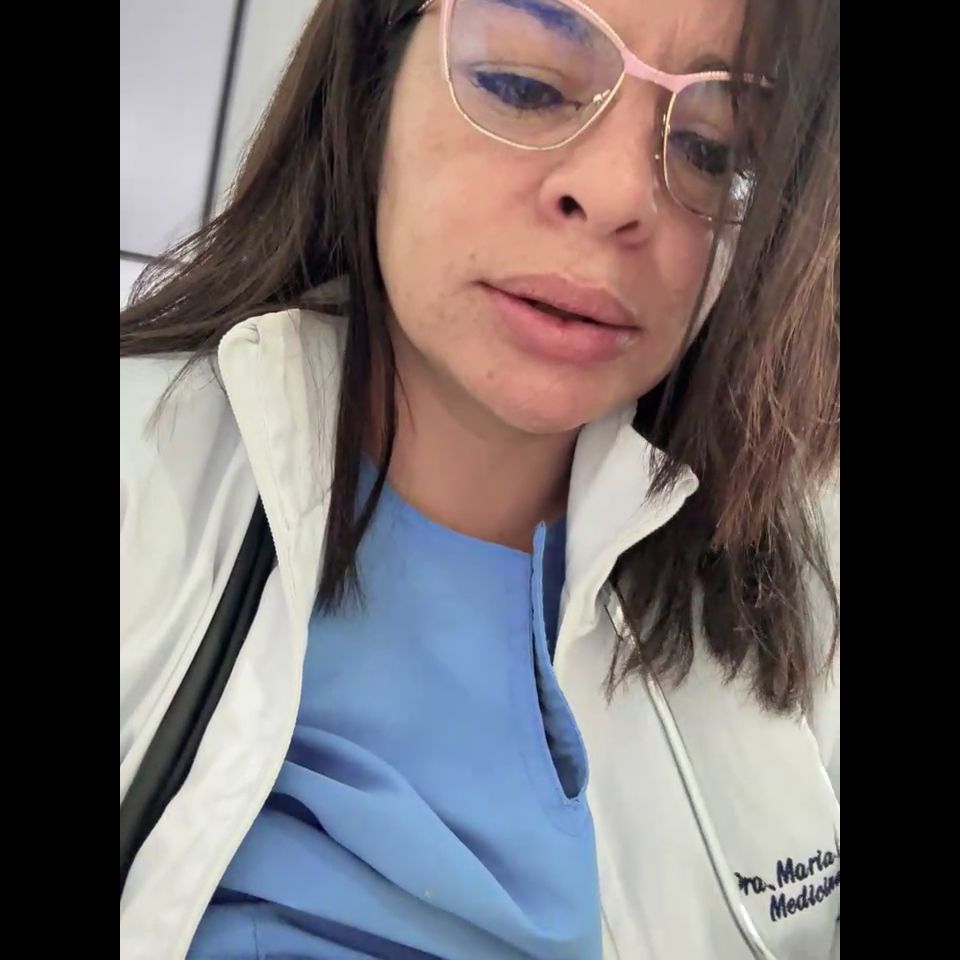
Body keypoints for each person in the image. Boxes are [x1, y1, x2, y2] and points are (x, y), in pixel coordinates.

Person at [119, 0, 840, 957]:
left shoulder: (800, 592)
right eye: (524, 85)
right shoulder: (143, 471)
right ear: (371, 82)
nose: (617, 194)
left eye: (712, 148)